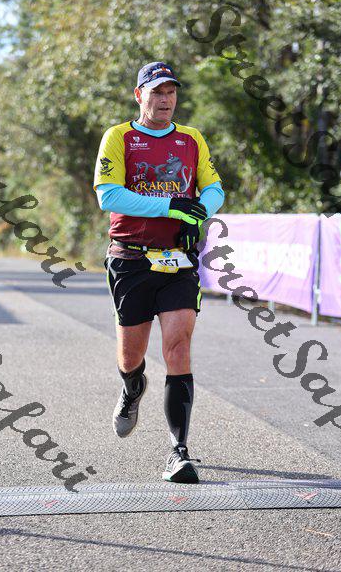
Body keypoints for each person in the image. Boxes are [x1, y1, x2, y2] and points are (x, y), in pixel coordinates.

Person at [93, 61, 225, 483]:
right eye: (156, 92)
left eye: (171, 92)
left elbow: (213, 187)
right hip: (130, 259)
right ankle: (132, 386)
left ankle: (178, 451)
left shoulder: (191, 138)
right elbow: (109, 195)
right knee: (131, 357)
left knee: (178, 347)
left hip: (177, 261)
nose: (165, 99)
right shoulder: (119, 137)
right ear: (139, 96)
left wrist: (200, 210)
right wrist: (171, 207)